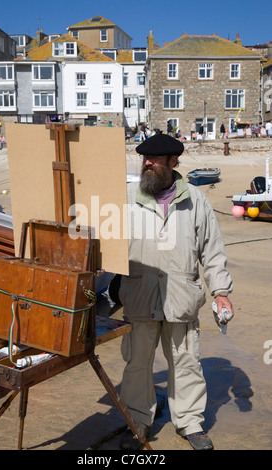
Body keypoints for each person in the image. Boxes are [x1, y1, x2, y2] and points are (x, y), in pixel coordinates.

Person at [118, 132, 233, 451]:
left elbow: (212, 250)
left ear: (173, 162)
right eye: (144, 159)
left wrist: (220, 290)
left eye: (154, 159)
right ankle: (138, 420)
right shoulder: (126, 197)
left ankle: (189, 422)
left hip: (182, 296)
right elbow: (105, 243)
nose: (147, 163)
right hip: (139, 294)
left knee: (186, 361)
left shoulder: (196, 200)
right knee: (138, 363)